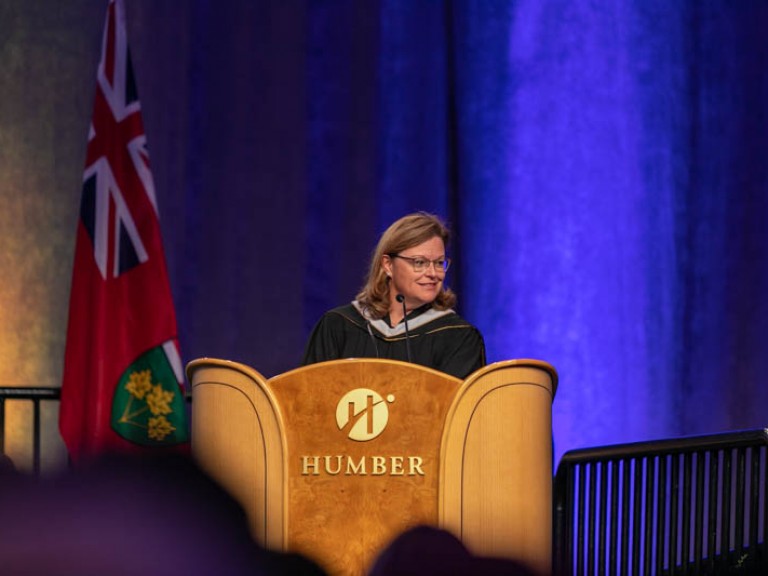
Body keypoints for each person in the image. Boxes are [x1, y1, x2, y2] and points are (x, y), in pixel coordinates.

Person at [302, 212, 485, 379]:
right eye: (419, 262)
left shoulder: (458, 337)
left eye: (439, 263)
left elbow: (458, 413)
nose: (433, 273)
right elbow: (308, 399)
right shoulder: (338, 326)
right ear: (388, 265)